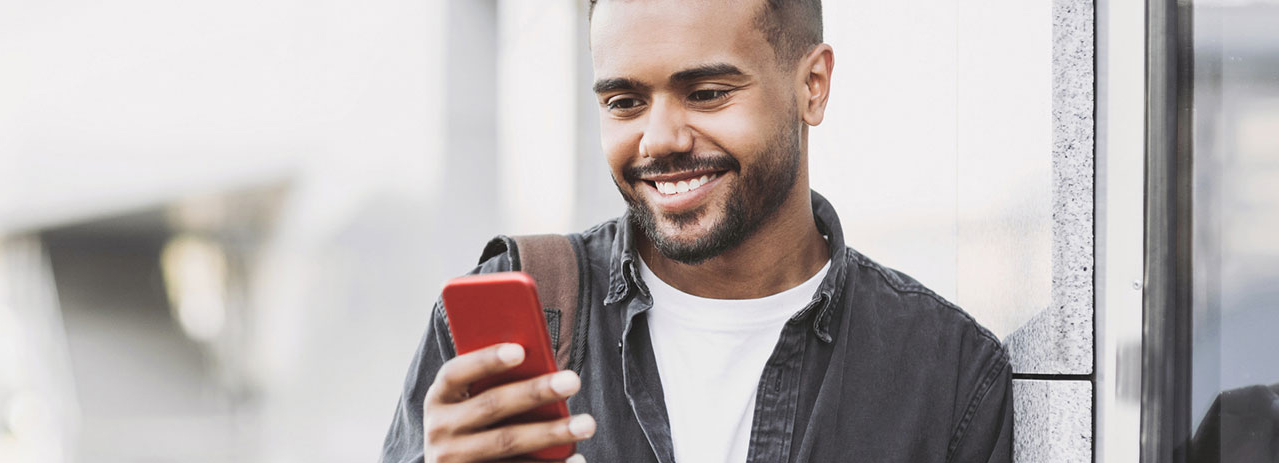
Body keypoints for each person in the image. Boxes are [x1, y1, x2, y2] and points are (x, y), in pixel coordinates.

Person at [381, 0, 1013, 461]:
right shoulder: (507, 325)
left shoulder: (945, 371)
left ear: (812, 86)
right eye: (624, 102)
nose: (659, 140)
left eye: (707, 92)